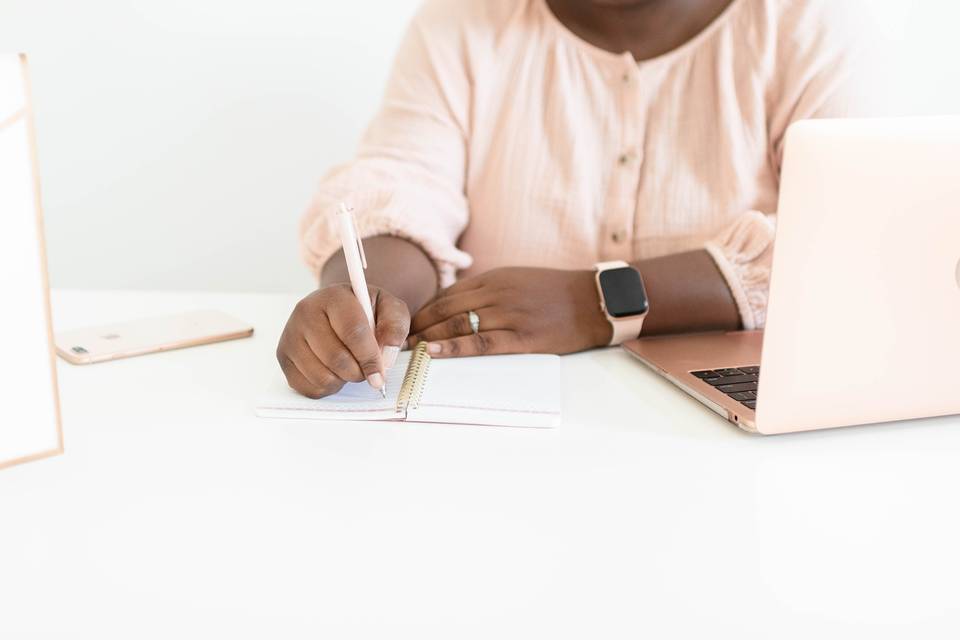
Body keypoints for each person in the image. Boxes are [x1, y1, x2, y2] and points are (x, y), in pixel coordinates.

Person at [277, 0, 879, 399]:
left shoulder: (803, 26)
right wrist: (367, 299)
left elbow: (847, 241)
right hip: (494, 435)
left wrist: (594, 301)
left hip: (732, 432)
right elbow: (401, 179)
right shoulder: (462, 24)